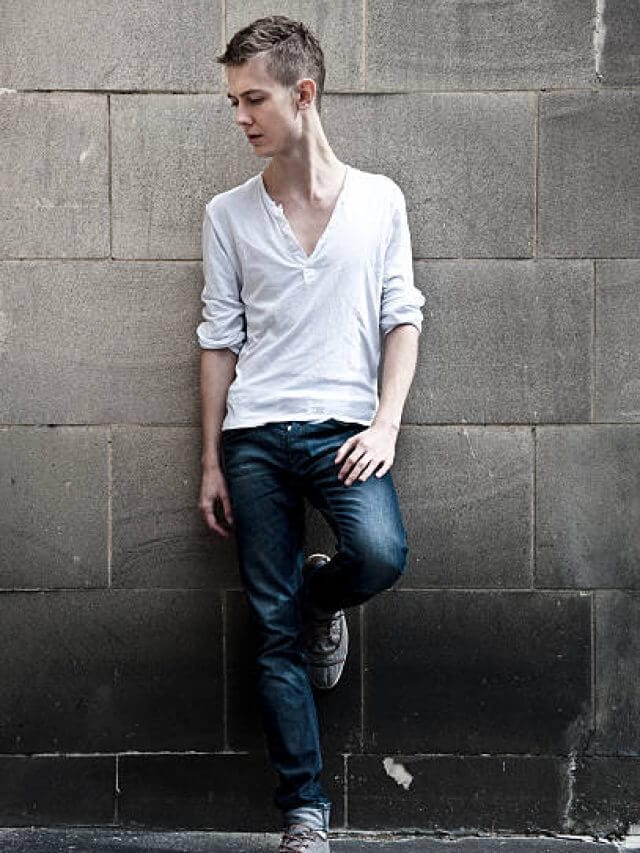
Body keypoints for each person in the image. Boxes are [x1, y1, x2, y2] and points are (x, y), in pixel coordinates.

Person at [197, 15, 425, 853]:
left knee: (380, 553)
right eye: (233, 102)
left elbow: (403, 318)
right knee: (272, 629)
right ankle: (304, 815)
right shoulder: (227, 214)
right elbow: (219, 338)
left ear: (304, 93)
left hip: (344, 431)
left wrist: (386, 422)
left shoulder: (379, 200)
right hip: (255, 436)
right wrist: (212, 459)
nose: (241, 116)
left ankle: (323, 599)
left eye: (253, 98)